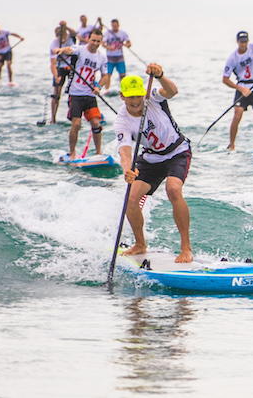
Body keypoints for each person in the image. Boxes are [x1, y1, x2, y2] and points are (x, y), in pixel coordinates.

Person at [114, 64, 193, 263]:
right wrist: (127, 170)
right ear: (122, 96)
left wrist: (160, 75)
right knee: (131, 198)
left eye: (138, 96)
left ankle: (186, 248)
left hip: (177, 152)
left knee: (173, 189)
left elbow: (172, 91)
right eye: (130, 96)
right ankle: (140, 244)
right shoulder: (121, 121)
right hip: (151, 158)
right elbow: (125, 151)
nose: (135, 101)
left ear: (143, 94)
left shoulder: (153, 97)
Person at [53, 29, 110, 161]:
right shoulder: (80, 49)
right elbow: (69, 50)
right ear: (88, 39)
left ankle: (98, 153)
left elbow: (105, 76)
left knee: (96, 123)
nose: (95, 43)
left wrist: (98, 86)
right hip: (75, 95)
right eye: (93, 40)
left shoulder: (102, 57)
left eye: (98, 41)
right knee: (77, 124)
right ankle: (72, 153)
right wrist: (61, 51)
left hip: (90, 96)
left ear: (101, 42)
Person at [49, 22, 78, 124]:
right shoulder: (54, 44)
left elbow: (75, 33)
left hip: (71, 67)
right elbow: (52, 64)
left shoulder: (70, 37)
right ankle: (53, 118)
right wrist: (56, 76)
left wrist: (65, 26)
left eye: (64, 37)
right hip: (59, 68)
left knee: (73, 92)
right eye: (60, 38)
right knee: (56, 94)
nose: (63, 40)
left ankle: (73, 116)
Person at [102, 19, 132, 84]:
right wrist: (108, 47)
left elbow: (129, 43)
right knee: (108, 74)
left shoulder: (123, 33)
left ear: (118, 25)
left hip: (119, 56)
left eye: (115, 26)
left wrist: (127, 45)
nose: (114, 28)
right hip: (110, 57)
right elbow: (103, 44)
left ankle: (123, 88)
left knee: (122, 74)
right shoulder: (108, 33)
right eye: (113, 26)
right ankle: (107, 90)